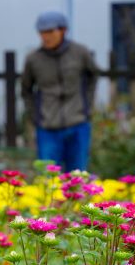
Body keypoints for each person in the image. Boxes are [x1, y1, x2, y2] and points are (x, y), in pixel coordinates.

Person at [21, 11, 99, 172]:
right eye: (42, 33)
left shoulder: (80, 52)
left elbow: (93, 76)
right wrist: (36, 116)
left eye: (50, 32)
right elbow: (26, 89)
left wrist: (87, 107)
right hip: (47, 127)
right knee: (47, 178)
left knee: (78, 177)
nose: (46, 37)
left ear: (63, 30)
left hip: (77, 123)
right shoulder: (33, 59)